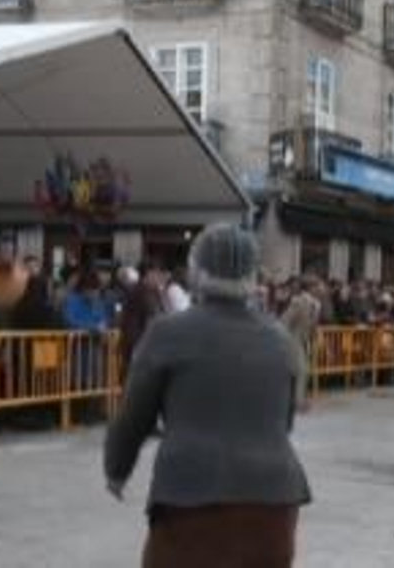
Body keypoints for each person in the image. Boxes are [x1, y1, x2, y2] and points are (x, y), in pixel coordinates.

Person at [103, 224, 311, 567]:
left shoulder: (168, 333)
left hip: (190, 496)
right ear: (251, 274)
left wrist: (117, 469)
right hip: (275, 499)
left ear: (197, 271)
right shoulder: (280, 339)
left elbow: (133, 415)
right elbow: (284, 420)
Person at [119, 263, 168, 386]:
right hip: (138, 342)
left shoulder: (149, 290)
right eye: (157, 273)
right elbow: (155, 314)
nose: (159, 277)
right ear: (148, 273)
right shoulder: (142, 290)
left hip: (140, 342)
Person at [278, 276, 322, 406]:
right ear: (311, 288)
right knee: (301, 370)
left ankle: (295, 400)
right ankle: (298, 402)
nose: (320, 288)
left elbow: (312, 325)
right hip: (293, 338)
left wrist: (313, 335)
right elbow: (285, 320)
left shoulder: (316, 304)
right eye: (318, 286)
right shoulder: (298, 301)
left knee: (301, 370)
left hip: (304, 340)